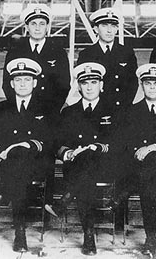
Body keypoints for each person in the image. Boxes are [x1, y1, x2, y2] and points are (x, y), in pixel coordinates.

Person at [0, 58, 53, 253]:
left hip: (36, 164)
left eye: (27, 79)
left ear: (35, 83)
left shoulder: (45, 108)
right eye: (18, 80)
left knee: (20, 163)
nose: (22, 84)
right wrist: (1, 152)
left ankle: (2, 201)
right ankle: (19, 231)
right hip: (6, 163)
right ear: (12, 83)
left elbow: (49, 140)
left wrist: (25, 145)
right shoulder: (0, 108)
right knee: (18, 170)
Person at [47, 62, 116, 255]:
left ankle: (66, 202)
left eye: (94, 82)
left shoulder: (113, 110)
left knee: (86, 167)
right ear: (78, 86)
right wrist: (67, 153)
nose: (89, 87)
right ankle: (89, 234)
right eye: (85, 83)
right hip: (76, 166)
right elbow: (58, 142)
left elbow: (118, 142)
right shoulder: (69, 112)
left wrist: (97, 147)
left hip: (104, 165)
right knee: (84, 174)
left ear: (101, 85)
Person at [113, 63, 156, 255]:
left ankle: (126, 189)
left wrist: (152, 147)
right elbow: (126, 140)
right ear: (141, 85)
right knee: (148, 183)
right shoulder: (131, 111)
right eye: (148, 83)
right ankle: (151, 235)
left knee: (153, 162)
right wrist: (138, 150)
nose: (152, 87)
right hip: (141, 167)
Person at [2, 5, 71, 118]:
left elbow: (64, 85)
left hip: (49, 112)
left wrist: (52, 110)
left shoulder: (58, 52)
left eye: (42, 24)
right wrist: (19, 108)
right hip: (22, 111)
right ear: (27, 27)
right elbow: (7, 84)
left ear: (47, 27)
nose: (37, 28)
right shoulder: (15, 52)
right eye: (33, 24)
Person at [77, 8, 138, 114]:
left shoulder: (126, 52)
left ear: (117, 29)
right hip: (97, 110)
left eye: (113, 26)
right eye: (104, 26)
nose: (109, 30)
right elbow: (83, 85)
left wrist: (124, 105)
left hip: (122, 109)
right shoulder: (86, 54)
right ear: (96, 29)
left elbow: (133, 83)